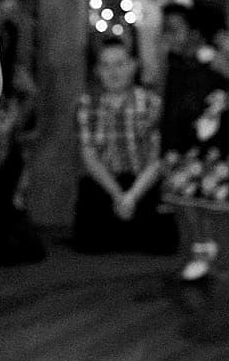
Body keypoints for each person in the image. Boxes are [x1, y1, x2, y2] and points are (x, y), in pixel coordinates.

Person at [159, 0, 229, 283]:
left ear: (195, 31)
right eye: (166, 29)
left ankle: (202, 249)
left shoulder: (213, 60)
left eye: (175, 28)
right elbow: (172, 106)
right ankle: (202, 247)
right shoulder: (174, 65)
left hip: (211, 145)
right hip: (185, 143)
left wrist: (225, 103)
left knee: (193, 197)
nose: (168, 36)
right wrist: (169, 143)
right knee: (186, 197)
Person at [74, 34, 177, 255]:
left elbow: (157, 159)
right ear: (97, 71)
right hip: (106, 183)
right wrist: (118, 195)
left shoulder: (152, 104)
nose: (114, 72)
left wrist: (131, 197)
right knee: (91, 242)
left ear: (133, 66)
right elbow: (89, 158)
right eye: (106, 66)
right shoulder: (87, 105)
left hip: (142, 182)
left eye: (120, 65)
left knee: (162, 242)